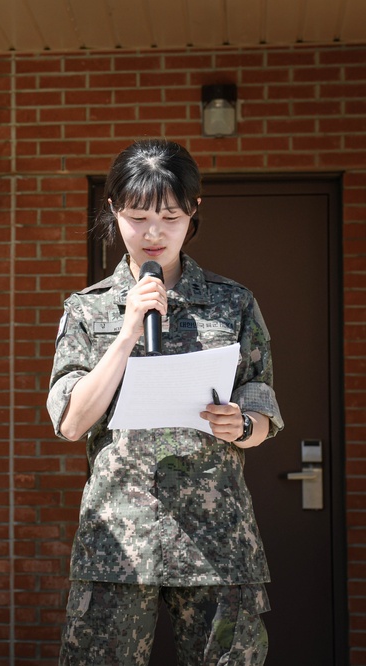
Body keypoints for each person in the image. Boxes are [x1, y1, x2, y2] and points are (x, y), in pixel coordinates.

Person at [47, 139, 284, 665]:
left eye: (170, 217)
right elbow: (70, 421)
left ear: (193, 212)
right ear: (113, 210)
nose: (153, 233)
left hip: (216, 540)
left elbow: (262, 410)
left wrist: (240, 426)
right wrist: (128, 331)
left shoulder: (234, 303)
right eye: (137, 217)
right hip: (120, 542)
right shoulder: (87, 311)